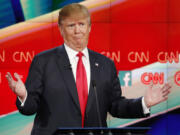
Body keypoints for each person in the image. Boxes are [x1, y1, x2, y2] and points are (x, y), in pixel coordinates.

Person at [6, 3, 171, 135]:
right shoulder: (44, 61)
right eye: (71, 26)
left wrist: (144, 103)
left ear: (89, 27)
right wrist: (23, 95)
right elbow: (30, 108)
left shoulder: (106, 64)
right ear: (61, 29)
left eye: (81, 24)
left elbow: (115, 106)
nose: (78, 30)